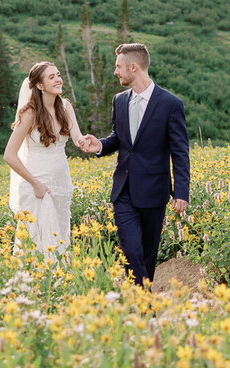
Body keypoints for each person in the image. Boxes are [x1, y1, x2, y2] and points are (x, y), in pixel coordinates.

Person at [80, 42, 190, 286]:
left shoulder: (171, 104)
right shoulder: (119, 101)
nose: (115, 72)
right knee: (131, 250)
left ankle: (142, 302)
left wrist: (181, 191)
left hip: (154, 191)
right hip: (124, 191)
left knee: (147, 255)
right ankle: (144, 305)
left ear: (134, 67)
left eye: (118, 67)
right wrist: (98, 146)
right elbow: (118, 139)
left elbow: (180, 152)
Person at [4, 61, 88, 257]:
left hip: (61, 182)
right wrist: (35, 184)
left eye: (58, 75)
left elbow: (77, 137)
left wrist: (87, 142)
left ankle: (59, 284)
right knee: (37, 241)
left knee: (59, 237)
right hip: (37, 184)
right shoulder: (30, 113)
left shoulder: (65, 107)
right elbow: (9, 155)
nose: (58, 79)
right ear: (39, 85)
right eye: (51, 77)